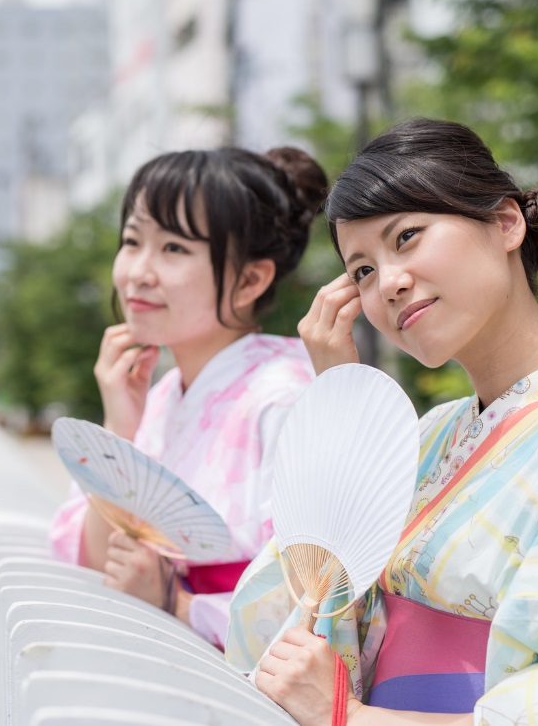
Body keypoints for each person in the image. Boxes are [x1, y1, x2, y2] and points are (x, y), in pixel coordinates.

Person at [227, 118, 538, 725]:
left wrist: (352, 718)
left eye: (407, 237)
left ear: (505, 223)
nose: (388, 282)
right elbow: (308, 596)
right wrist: (341, 401)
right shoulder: (433, 433)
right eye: (361, 270)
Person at [48, 145, 328, 647]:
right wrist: (120, 430)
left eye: (173, 248)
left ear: (249, 279)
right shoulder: (159, 397)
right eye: (133, 241)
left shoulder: (285, 397)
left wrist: (177, 604)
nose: (138, 271)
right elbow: (94, 560)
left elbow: (317, 602)